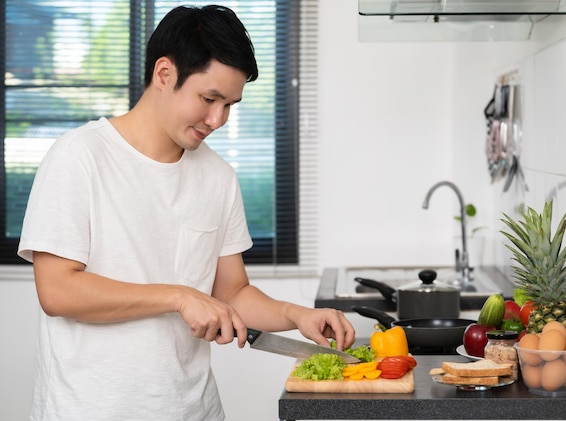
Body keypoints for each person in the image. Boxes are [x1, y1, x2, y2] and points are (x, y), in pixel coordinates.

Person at [17, 5, 355, 420]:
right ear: (164, 74)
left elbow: (231, 294)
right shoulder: (80, 157)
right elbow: (57, 291)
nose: (218, 119)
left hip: (192, 409)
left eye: (229, 104)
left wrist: (297, 314)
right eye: (209, 98)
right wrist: (179, 297)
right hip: (90, 409)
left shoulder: (218, 176)